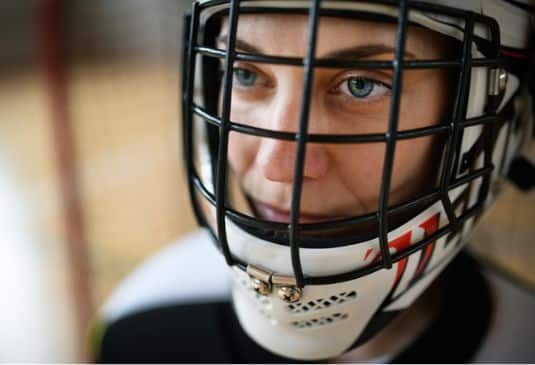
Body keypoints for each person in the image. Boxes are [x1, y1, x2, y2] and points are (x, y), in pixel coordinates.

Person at [92, 0, 535, 362]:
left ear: (490, 119)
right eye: (245, 74)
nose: (277, 164)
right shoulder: (146, 322)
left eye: (362, 85)